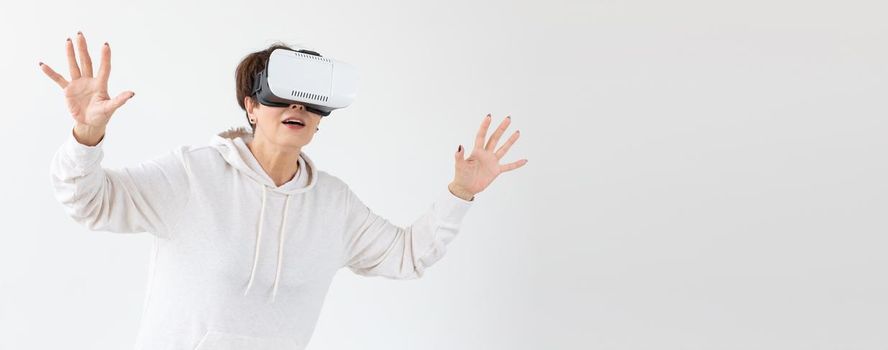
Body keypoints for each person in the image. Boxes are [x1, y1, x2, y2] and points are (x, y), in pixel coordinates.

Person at [39, 31, 528, 349]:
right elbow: (88, 202)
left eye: (312, 104)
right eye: (280, 96)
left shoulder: (333, 204)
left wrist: (460, 192)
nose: (297, 108)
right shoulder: (193, 175)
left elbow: (409, 256)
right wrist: (87, 135)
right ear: (251, 106)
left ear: (319, 120)